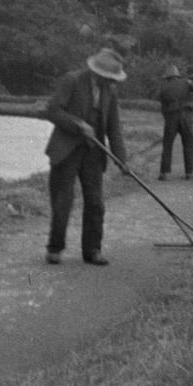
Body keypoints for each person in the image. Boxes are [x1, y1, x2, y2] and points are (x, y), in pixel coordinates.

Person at [43, 47, 129, 266]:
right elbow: (52, 110)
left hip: (93, 152)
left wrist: (122, 160)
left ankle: (92, 250)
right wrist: (78, 124)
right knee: (63, 200)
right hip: (66, 149)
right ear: (97, 73)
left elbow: (114, 128)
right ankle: (55, 248)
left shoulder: (110, 91)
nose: (112, 82)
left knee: (96, 202)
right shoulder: (72, 81)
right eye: (108, 78)